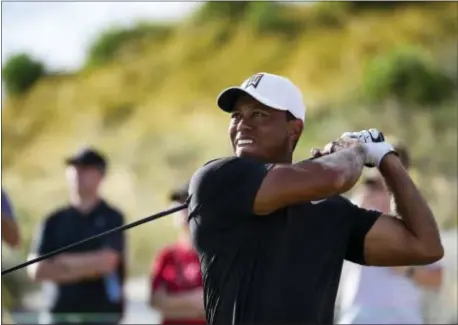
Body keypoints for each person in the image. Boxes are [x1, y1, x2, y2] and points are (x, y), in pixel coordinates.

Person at [186, 72, 443, 324]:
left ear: (294, 129)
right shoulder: (217, 179)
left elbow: (425, 246)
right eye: (236, 116)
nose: (243, 124)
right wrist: (357, 150)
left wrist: (387, 158)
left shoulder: (331, 210)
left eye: (259, 114)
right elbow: (335, 177)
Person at [337, 141, 443, 324]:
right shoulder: (357, 207)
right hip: (358, 317)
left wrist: (407, 271)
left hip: (403, 319)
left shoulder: (419, 218)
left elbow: (436, 279)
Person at [27, 147, 126, 324]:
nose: (77, 174)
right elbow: (36, 270)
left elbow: (108, 262)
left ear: (100, 176)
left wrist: (61, 261)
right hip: (58, 315)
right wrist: (89, 268)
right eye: (74, 168)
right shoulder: (53, 220)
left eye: (85, 169)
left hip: (101, 315)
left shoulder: (112, 217)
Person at [149, 182, 206, 325]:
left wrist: (175, 304)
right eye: (178, 203)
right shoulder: (166, 255)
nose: (181, 209)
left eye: (187, 202)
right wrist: (194, 301)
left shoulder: (217, 255)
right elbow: (158, 302)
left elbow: (219, 307)